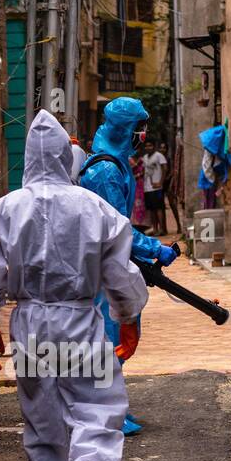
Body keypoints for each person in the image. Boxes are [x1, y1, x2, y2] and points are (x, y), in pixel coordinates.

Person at [0, 110, 148, 461]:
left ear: (29, 157)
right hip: (81, 319)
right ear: (68, 159)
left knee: (41, 411)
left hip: (31, 322)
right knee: (98, 406)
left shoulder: (5, 209)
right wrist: (128, 317)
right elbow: (119, 272)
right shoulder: (94, 207)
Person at [78, 96, 177, 436]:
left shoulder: (115, 160)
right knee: (112, 337)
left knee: (117, 335)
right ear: (126, 129)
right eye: (139, 127)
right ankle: (106, 413)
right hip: (106, 268)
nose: (143, 133)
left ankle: (109, 408)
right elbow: (116, 228)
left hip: (111, 263)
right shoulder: (106, 170)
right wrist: (155, 248)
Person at [141, 140, 170, 235]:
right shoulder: (145, 157)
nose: (148, 147)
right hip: (147, 187)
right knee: (151, 209)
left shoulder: (159, 155)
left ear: (153, 146)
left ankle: (162, 229)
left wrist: (160, 182)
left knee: (159, 208)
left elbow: (165, 168)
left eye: (150, 145)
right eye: (146, 146)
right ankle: (155, 229)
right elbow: (144, 171)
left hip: (157, 187)